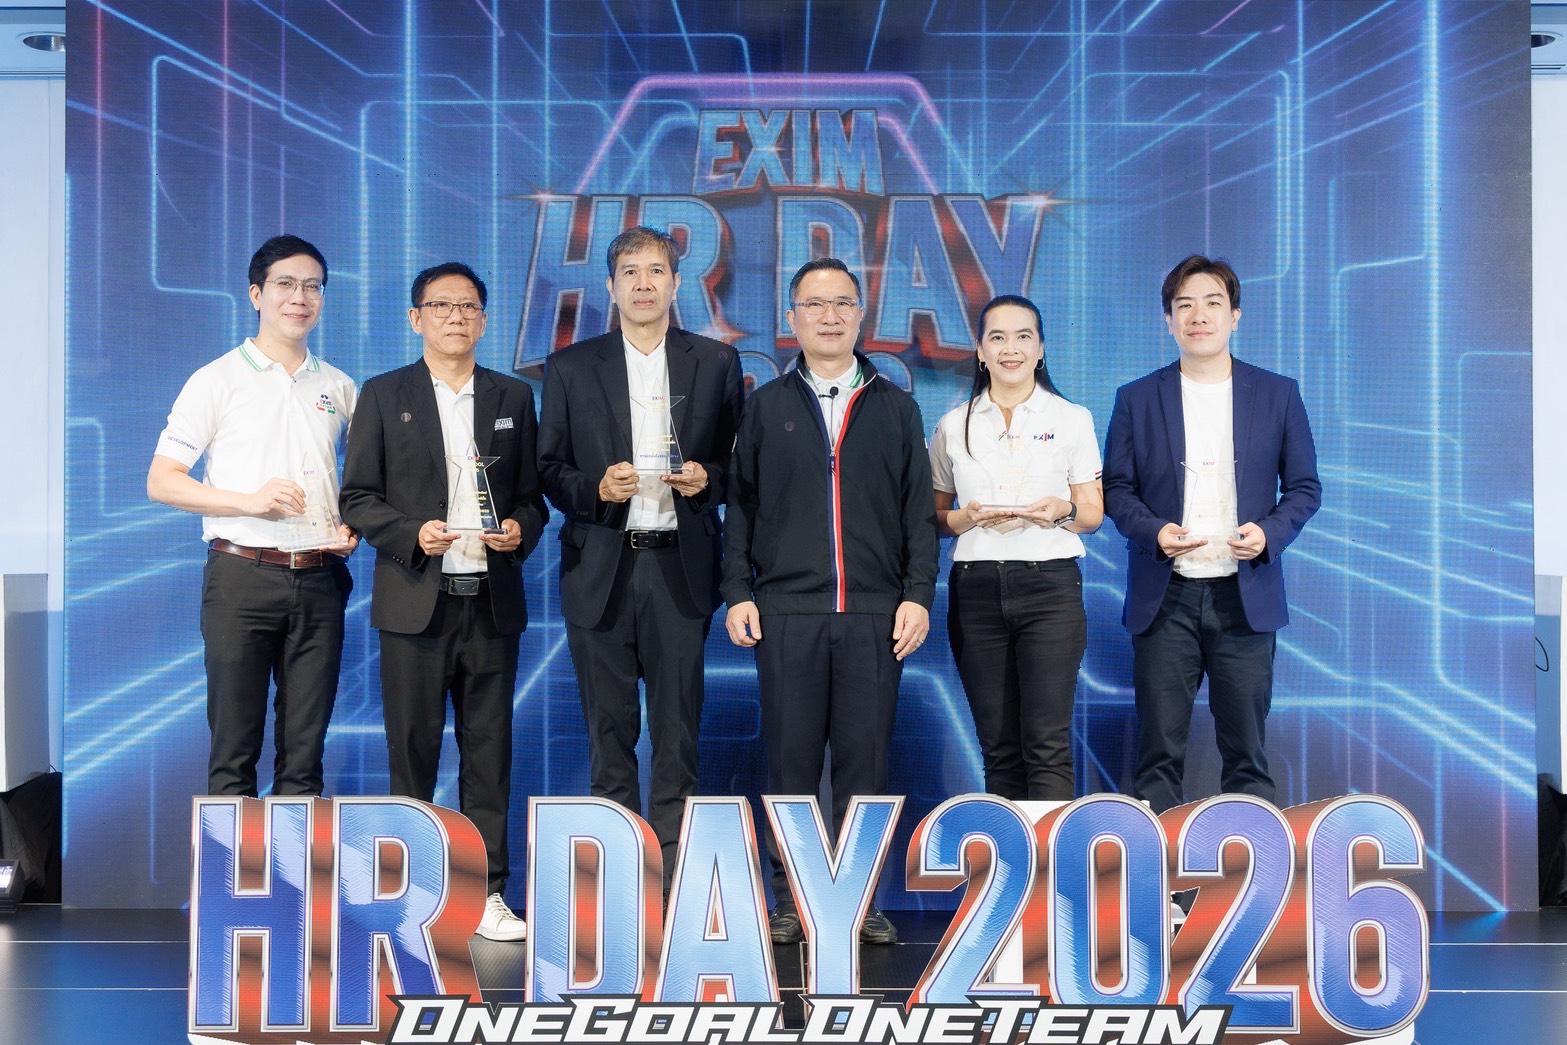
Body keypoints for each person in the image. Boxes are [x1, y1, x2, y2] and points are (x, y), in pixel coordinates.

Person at [722, 257, 938, 946]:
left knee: (864, 764)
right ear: (792, 319)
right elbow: (740, 509)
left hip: (875, 615)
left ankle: (857, 901)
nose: (829, 315)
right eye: (814, 304)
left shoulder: (895, 407)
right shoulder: (765, 407)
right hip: (787, 613)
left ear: (860, 313)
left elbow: (917, 516)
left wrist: (917, 596)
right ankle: (792, 899)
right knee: (789, 764)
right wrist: (737, 591)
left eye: (842, 302)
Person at [340, 262, 547, 941]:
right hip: (415, 603)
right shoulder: (383, 394)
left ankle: (487, 893)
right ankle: (412, 895)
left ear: (484, 320)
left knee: (489, 755)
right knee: (413, 753)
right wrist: (411, 534)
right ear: (416, 318)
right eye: (440, 306)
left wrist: (518, 529)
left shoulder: (513, 395)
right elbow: (357, 497)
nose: (455, 316)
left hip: (490, 602)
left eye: (467, 306)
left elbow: (532, 499)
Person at [537, 226, 743, 883]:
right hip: (601, 565)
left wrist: (708, 479)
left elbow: (740, 466)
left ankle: (676, 877)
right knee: (609, 731)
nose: (644, 283)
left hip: (680, 566)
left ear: (677, 284)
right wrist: (594, 490)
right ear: (610, 286)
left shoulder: (715, 362)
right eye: (630, 272)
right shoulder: (571, 366)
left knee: (679, 733)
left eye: (656, 271)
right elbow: (548, 467)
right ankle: (620, 875)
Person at [1102, 254, 1320, 814]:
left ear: (1235, 315)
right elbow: (1117, 490)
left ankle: (1252, 864)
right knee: (1157, 755)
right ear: (1168, 320)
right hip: (1165, 595)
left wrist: (1268, 534)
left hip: (1244, 595)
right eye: (1185, 306)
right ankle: (1160, 867)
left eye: (1212, 303)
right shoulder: (1136, 398)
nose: (1198, 316)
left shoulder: (1278, 394)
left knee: (1247, 754)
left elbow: (1304, 488)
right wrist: (1155, 531)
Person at [148, 234, 357, 799]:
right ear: (256, 294)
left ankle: (294, 860)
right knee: (234, 750)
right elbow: (162, 481)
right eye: (285, 284)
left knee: (305, 757)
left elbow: (362, 484)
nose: (300, 297)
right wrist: (250, 501)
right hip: (241, 576)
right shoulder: (216, 379)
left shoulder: (339, 386)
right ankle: (228, 860)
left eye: (313, 287)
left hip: (320, 578)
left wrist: (353, 529)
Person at [931, 294, 1103, 802]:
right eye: (998, 338)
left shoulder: (1072, 418)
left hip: (1050, 586)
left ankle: (1050, 856)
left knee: (1046, 744)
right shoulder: (953, 424)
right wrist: (965, 518)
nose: (1011, 349)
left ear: (1041, 348)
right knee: (999, 748)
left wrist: (1062, 510)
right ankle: (1008, 855)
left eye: (1023, 336)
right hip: (976, 588)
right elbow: (933, 517)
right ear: (980, 350)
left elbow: (1092, 514)